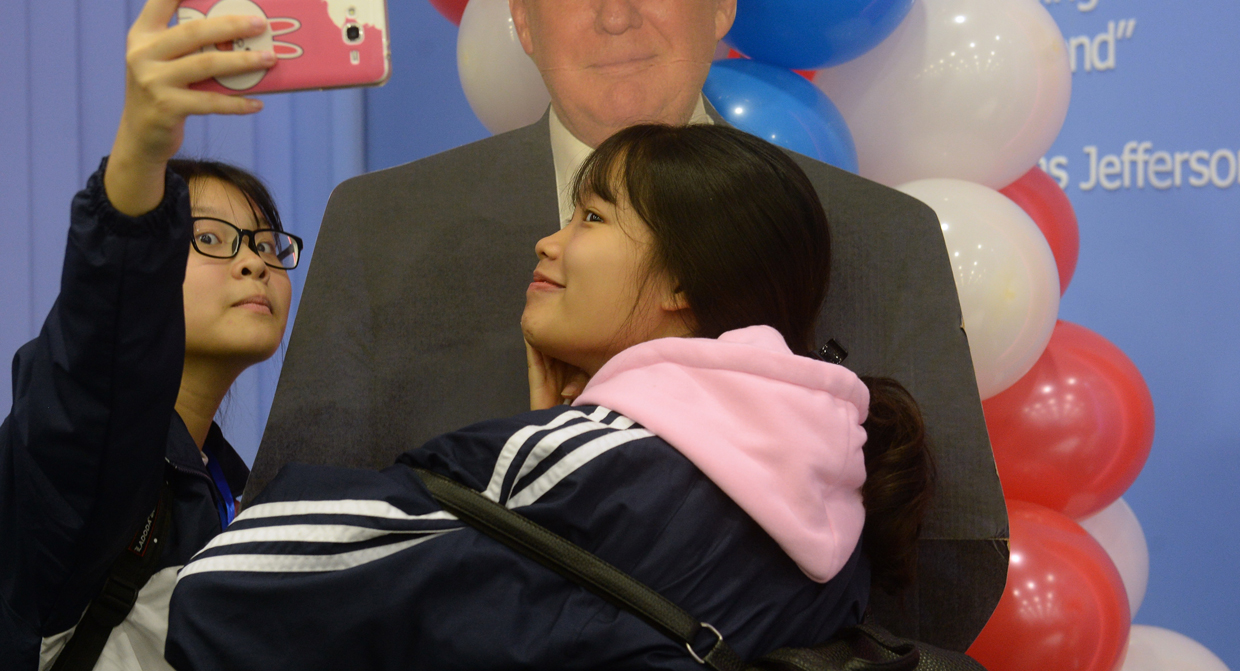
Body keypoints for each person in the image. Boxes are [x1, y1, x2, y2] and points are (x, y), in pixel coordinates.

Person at [248, 0, 1006, 645]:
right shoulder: (381, 227)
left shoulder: (880, 234)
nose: (615, 13)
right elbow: (289, 542)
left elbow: (955, 557)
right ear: (522, 16)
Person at [164, 124, 935, 671]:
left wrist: (556, 440)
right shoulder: (836, 494)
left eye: (594, 215)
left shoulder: (584, 467)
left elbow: (230, 581)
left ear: (684, 284)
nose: (550, 241)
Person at [0, 0, 303, 671]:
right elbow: (98, 340)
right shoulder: (83, 455)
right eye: (210, 238)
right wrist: (142, 146)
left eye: (266, 242)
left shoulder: (231, 484)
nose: (255, 263)